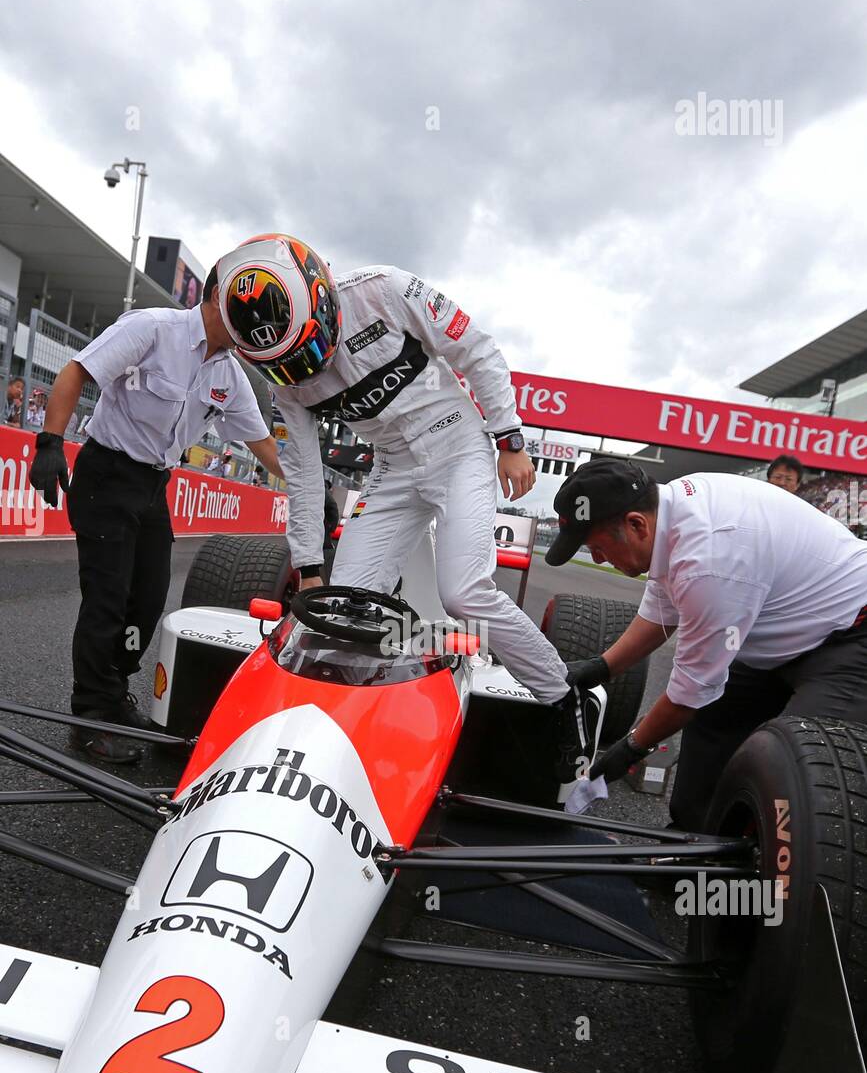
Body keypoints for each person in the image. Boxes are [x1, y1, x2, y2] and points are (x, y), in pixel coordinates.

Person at [213, 233, 583, 779]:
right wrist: (309, 567)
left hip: (459, 447)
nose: (305, 370)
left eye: (306, 350)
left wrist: (510, 440)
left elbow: (475, 348)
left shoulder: (384, 289)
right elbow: (304, 473)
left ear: (322, 296)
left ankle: (560, 699)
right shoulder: (284, 381)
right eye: (288, 363)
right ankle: (344, 731)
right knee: (342, 610)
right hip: (390, 470)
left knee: (464, 594)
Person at [28, 267, 283, 763]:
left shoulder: (230, 375)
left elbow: (263, 443)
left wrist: (307, 486)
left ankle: (114, 690)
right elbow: (77, 371)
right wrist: (49, 442)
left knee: (146, 601)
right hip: (106, 475)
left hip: (152, 487)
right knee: (107, 598)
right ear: (215, 297)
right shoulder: (151, 328)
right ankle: (90, 714)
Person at [547, 457, 867, 827]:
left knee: (797, 764)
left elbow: (688, 694)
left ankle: (761, 873)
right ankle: (691, 840)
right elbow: (661, 614)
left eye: (597, 547)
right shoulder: (670, 515)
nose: (599, 559)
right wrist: (602, 667)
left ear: (636, 525)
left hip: (852, 635)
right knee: (716, 719)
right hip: (789, 624)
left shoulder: (710, 560)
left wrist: (631, 748)